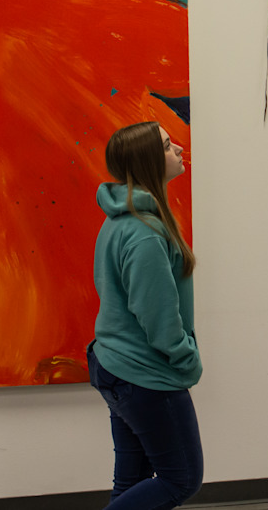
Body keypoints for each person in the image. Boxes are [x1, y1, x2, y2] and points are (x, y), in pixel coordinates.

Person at [87, 121, 203, 509]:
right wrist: (186, 358)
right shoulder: (144, 232)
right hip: (144, 373)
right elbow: (159, 319)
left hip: (116, 365)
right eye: (168, 146)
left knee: (132, 482)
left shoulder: (122, 220)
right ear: (148, 160)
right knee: (180, 479)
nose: (179, 149)